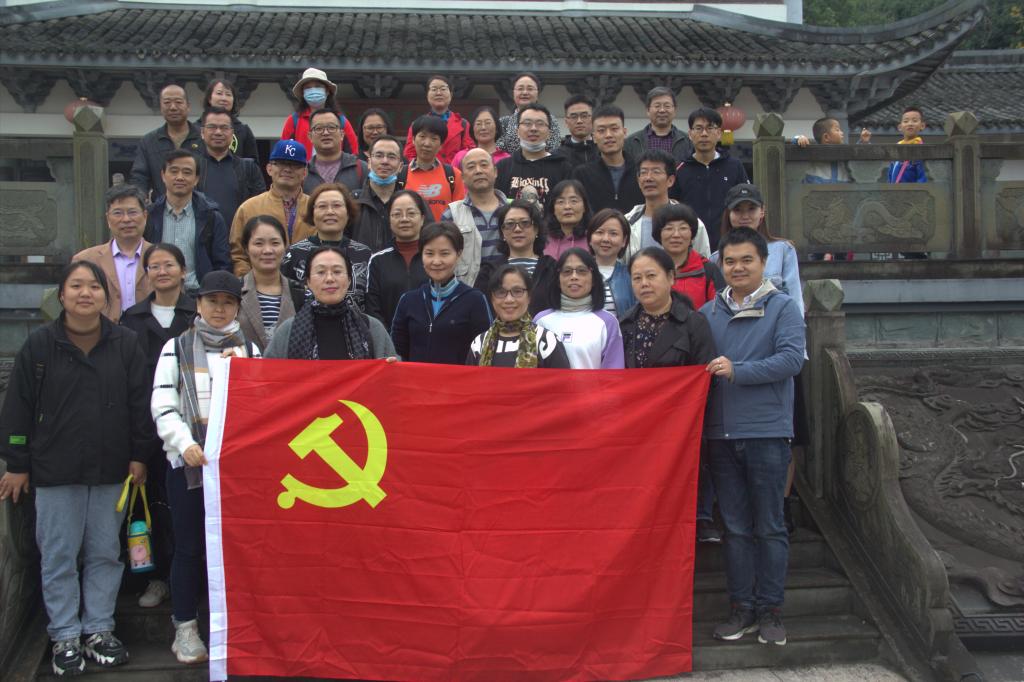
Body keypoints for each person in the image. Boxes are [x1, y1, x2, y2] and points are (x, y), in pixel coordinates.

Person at [1, 260, 152, 676]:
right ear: (61, 295)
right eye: (76, 286)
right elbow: (18, 409)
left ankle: (99, 629)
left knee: (105, 552)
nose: (86, 293)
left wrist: (140, 455)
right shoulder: (39, 345)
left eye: (94, 287)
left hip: (111, 468)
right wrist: (17, 463)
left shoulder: (125, 343)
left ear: (107, 296)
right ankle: (65, 634)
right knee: (59, 554)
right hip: (55, 469)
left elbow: (140, 405)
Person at [699, 227, 806, 648]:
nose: (738, 268)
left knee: (770, 527)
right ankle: (741, 608)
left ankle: (771, 611)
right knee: (736, 528)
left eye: (746, 260)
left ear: (763, 262)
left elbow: (791, 360)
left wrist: (738, 370)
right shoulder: (708, 313)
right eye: (730, 261)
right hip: (721, 435)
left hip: (766, 432)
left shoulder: (783, 307)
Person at [151, 270, 259, 665]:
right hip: (189, 468)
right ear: (198, 304)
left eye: (228, 302)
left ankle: (232, 627)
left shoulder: (250, 350)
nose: (219, 309)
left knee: (234, 550)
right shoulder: (176, 347)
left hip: (237, 472)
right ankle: (185, 627)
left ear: (237, 307)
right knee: (189, 547)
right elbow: (163, 404)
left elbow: (262, 406)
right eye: (212, 301)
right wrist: (185, 444)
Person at [119, 243, 195, 611]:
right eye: (154, 266)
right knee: (150, 507)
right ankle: (158, 577)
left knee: (188, 509)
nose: (162, 272)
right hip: (146, 427)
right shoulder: (132, 318)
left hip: (192, 430)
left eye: (169, 265)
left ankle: (192, 579)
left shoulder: (198, 312)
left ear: (183, 270)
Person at [265, 246, 397, 360]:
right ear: (308, 281)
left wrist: (390, 367)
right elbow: (269, 374)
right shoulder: (288, 331)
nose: (329, 278)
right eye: (321, 272)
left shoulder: (371, 328)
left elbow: (392, 373)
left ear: (349, 280)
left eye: (337, 271)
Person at [391, 222, 492, 364]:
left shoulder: (475, 300)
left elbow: (486, 351)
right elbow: (397, 351)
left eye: (445, 253)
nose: (436, 261)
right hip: (415, 378)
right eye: (429, 253)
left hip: (458, 378)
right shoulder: (408, 300)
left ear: (458, 254)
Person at [145, 150, 232, 294]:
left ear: (196, 179)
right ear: (163, 175)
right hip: (158, 294)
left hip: (199, 295)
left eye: (187, 172)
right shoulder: (149, 216)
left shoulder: (212, 217)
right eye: (174, 171)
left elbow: (223, 264)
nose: (180, 177)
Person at [715, 184, 803, 317]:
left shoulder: (783, 250)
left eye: (751, 209)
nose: (745, 216)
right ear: (729, 214)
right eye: (738, 210)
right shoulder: (715, 258)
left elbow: (795, 299)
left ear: (762, 211)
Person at [229, 139, 315, 276]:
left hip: (308, 284)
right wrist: (248, 281)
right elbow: (238, 255)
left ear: (304, 172)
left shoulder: (316, 208)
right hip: (259, 284)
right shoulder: (248, 208)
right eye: (281, 163)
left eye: (295, 165)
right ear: (269, 168)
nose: (287, 169)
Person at [280, 183, 372, 310]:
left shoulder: (364, 254)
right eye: (322, 206)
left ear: (348, 212)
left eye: (337, 205)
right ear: (312, 213)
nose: (330, 212)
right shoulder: (294, 253)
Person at [621, 246, 716, 367]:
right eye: (637, 278)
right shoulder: (625, 324)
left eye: (651, 275)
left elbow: (705, 372)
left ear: (670, 277)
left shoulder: (694, 323)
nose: (644, 283)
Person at [672, 107, 750, 254]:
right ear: (690, 134)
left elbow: (746, 201)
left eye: (710, 128)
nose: (704, 134)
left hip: (729, 244)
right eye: (698, 128)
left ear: (719, 133)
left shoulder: (734, 166)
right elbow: (672, 207)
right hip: (691, 245)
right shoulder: (679, 169)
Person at [533, 247, 625, 369]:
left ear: (593, 279)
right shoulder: (540, 320)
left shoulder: (608, 322)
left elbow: (613, 374)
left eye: (582, 271)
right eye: (567, 271)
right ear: (558, 280)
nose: (574, 277)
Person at [73, 184, 154, 322]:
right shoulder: (85, 260)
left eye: (132, 212)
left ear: (145, 216)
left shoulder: (162, 257)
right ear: (108, 219)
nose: (126, 219)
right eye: (118, 213)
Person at [468, 265, 571, 368]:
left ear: (529, 296)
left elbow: (562, 378)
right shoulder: (479, 344)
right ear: (492, 298)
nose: (509, 300)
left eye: (517, 291)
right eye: (501, 292)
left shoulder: (547, 341)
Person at [476, 199, 558, 316]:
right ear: (502, 232)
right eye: (510, 224)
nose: (517, 229)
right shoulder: (489, 271)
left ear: (536, 229)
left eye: (525, 223)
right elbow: (481, 312)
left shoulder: (553, 268)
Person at [236, 216, 306, 352]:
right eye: (259, 243)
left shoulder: (301, 293)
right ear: (246, 248)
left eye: (275, 243)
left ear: (285, 247)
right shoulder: (234, 291)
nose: (267, 250)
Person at [624, 149, 709, 260]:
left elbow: (703, 263)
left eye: (656, 172)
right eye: (644, 172)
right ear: (638, 181)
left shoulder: (691, 223)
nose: (648, 178)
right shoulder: (626, 223)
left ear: (670, 180)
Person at [440, 147, 506, 284]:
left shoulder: (514, 210)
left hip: (508, 291)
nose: (478, 171)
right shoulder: (451, 215)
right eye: (471, 167)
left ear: (495, 172)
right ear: (463, 177)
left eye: (484, 165)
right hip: (468, 290)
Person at [365, 190, 429, 328]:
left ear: (422, 218)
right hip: (389, 338)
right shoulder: (378, 261)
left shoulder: (433, 258)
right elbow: (372, 308)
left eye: (411, 213)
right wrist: (389, 337)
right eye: (397, 214)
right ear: (389, 220)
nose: (404, 219)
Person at [196, 106, 266, 230]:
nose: (218, 132)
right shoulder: (191, 168)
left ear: (232, 133)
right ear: (202, 132)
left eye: (224, 128)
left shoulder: (249, 168)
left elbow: (260, 207)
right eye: (212, 127)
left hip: (239, 238)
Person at [130, 84, 203, 199]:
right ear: (161, 107)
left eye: (178, 102)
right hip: (162, 207)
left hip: (201, 206)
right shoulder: (149, 141)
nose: (173, 107)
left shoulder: (204, 137)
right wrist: (139, 200)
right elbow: (139, 177)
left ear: (188, 106)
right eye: (167, 102)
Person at [495, 103, 572, 204]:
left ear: (549, 133)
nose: (533, 128)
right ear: (517, 131)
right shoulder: (503, 167)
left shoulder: (563, 167)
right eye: (527, 123)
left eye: (540, 124)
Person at [572, 104, 643, 213]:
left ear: (624, 132)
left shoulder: (641, 171)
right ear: (594, 137)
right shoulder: (582, 174)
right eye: (601, 130)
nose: (608, 135)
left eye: (614, 129)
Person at [652, 202, 724, 309]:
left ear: (692, 235)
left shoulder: (707, 270)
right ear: (659, 235)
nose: (676, 235)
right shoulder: (649, 269)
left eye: (683, 228)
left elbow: (718, 310)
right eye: (669, 228)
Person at [398, 115, 466, 222]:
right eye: (422, 136)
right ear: (413, 140)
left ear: (441, 145)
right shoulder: (400, 175)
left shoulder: (453, 175)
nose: (427, 143)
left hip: (444, 232)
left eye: (434, 138)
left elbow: (461, 215)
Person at [280, 67, 357, 158]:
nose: (313, 91)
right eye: (308, 88)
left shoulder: (341, 120)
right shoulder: (294, 120)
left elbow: (353, 153)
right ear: (303, 93)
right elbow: (283, 153)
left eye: (317, 86)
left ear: (327, 91)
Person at [402, 75, 474, 165]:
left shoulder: (463, 124)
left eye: (443, 89)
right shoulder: (417, 124)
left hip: (453, 172)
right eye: (434, 89)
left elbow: (469, 153)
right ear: (427, 95)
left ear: (451, 94)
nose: (439, 93)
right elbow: (409, 154)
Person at [351, 136, 403, 252]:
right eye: (379, 156)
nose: (385, 161)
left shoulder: (412, 203)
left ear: (400, 166)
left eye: (391, 157)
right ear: (369, 162)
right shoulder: (352, 202)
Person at [303, 107, 369, 193]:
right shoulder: (302, 172)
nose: (326, 133)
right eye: (319, 128)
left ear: (342, 134)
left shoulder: (362, 168)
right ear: (310, 136)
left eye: (331, 127)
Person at [624, 86, 694, 164]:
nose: (662, 110)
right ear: (648, 110)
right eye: (657, 106)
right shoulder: (631, 142)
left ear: (674, 110)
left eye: (667, 106)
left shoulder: (689, 142)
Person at [497, 72, 563, 154]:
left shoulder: (550, 119)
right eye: (520, 89)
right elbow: (499, 152)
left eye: (530, 89)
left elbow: (554, 149)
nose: (525, 92)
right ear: (513, 93)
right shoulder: (503, 123)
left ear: (537, 93)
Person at [586, 208, 636, 317]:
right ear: (589, 238)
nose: (606, 239)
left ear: (624, 241)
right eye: (599, 232)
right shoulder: (577, 273)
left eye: (613, 234)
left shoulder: (632, 276)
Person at [199, 78, 258, 162]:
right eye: (219, 93)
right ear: (209, 98)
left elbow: (253, 163)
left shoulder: (243, 130)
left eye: (228, 94)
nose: (224, 98)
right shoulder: (195, 128)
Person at [543, 179, 591, 260]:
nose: (567, 207)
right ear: (553, 209)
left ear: (584, 207)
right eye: (561, 202)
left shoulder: (593, 239)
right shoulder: (543, 239)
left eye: (573, 201)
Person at [558, 94, 598, 168]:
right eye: (574, 117)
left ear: (593, 119)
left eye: (584, 116)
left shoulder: (603, 151)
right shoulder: (557, 156)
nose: (579, 121)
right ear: (566, 122)